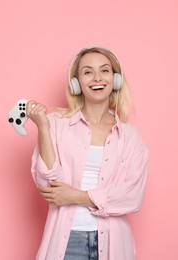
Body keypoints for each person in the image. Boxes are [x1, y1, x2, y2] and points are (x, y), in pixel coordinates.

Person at [27, 46, 149, 260]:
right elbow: (49, 187)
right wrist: (44, 129)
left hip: (114, 243)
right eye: (87, 72)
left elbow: (132, 196)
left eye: (104, 70)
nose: (97, 78)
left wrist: (77, 196)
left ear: (116, 79)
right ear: (76, 83)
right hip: (67, 242)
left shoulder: (130, 136)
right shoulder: (56, 125)